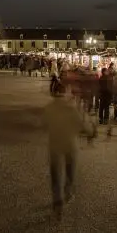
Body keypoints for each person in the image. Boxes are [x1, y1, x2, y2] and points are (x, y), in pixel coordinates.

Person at [43, 82, 83, 219]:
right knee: (70, 171)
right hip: (70, 145)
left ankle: (57, 202)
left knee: (56, 175)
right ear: (66, 92)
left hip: (54, 145)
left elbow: (43, 123)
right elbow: (81, 125)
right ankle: (68, 191)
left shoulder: (49, 107)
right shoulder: (71, 109)